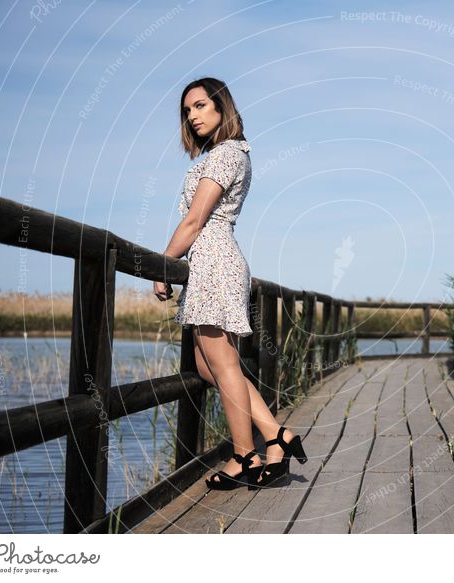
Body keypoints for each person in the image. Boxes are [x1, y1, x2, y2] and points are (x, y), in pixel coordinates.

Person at [153, 78, 306, 489]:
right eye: (187, 111)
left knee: (220, 363)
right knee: (209, 365)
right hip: (212, 262)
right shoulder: (222, 155)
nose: (193, 116)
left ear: (222, 108)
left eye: (201, 106)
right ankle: (276, 435)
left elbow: (194, 220)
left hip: (214, 262)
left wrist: (164, 264)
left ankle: (245, 457)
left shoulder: (226, 155)